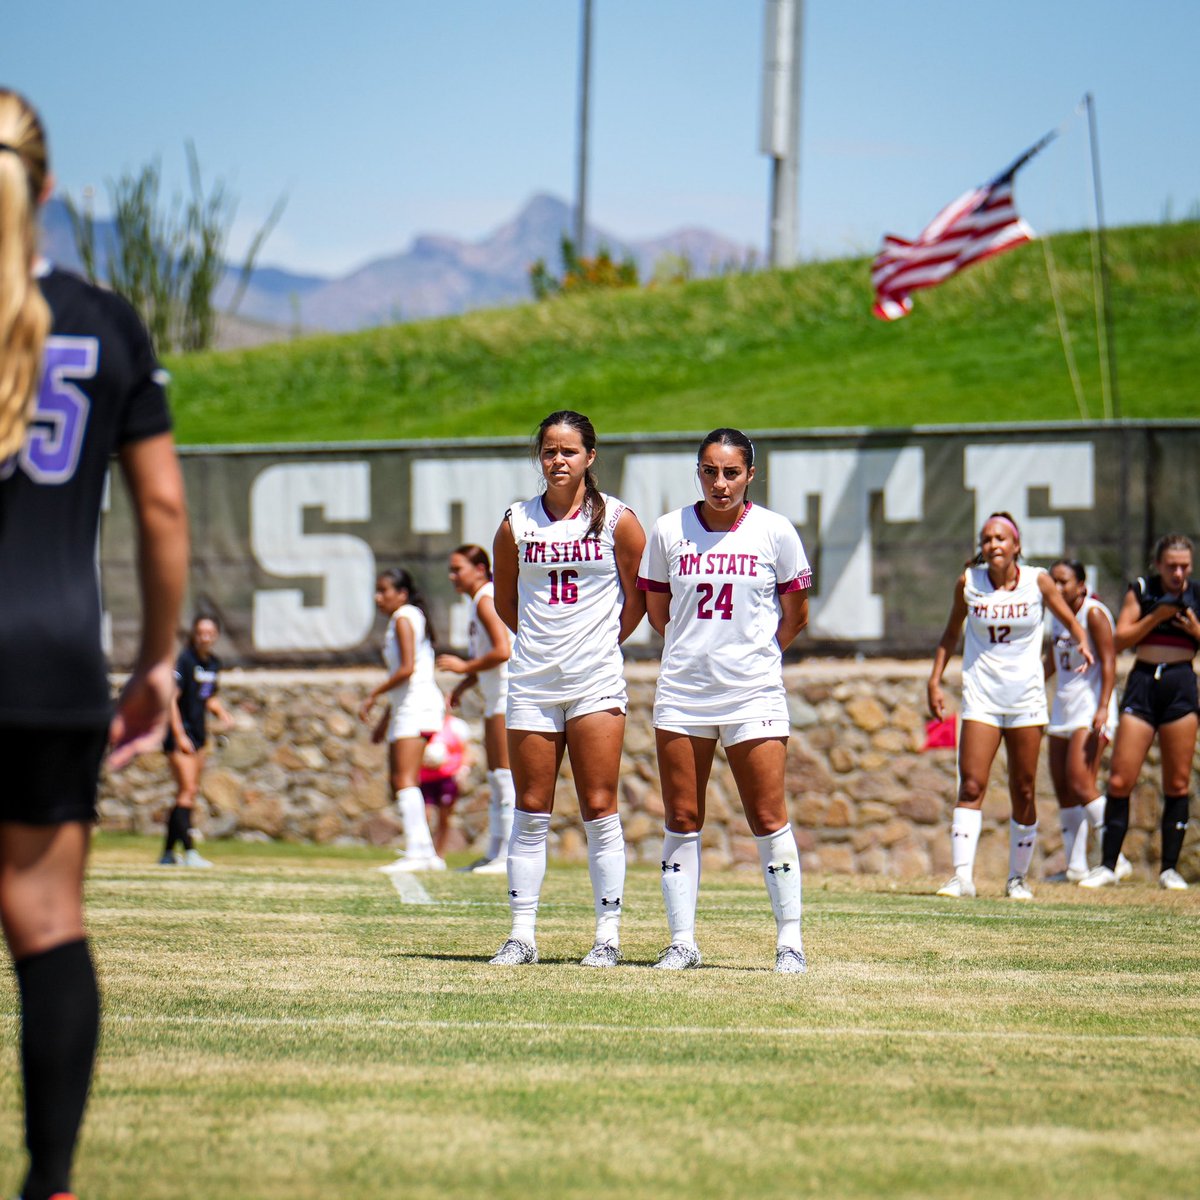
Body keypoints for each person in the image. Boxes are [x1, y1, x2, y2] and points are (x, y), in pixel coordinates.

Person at [0, 90, 188, 1200]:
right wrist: (156, 662)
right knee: (47, 923)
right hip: (54, 658)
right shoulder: (103, 320)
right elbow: (161, 508)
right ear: (50, 185)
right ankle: (52, 1185)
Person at [637, 428, 812, 973]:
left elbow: (797, 615)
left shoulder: (775, 530)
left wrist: (755, 656)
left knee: (768, 815)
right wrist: (695, 653)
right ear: (698, 472)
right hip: (683, 693)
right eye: (709, 471)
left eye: (731, 472)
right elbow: (658, 612)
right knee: (682, 817)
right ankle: (682, 942)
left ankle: (789, 941)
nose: (720, 483)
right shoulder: (668, 530)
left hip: (753, 692)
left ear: (750, 474)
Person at [487, 410, 646, 967]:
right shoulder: (516, 522)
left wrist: (600, 642)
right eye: (549, 450)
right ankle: (521, 935)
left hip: (595, 680)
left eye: (569, 451)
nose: (558, 460)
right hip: (532, 680)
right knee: (531, 809)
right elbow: (505, 600)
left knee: (599, 807)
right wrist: (541, 643)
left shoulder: (618, 520)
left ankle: (607, 936)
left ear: (590, 457)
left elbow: (639, 598)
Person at [928, 513, 1093, 900]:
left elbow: (1069, 618)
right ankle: (962, 878)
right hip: (981, 697)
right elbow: (950, 633)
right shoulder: (969, 583)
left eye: (1001, 538)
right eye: (987, 539)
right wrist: (934, 680)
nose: (993, 544)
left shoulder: (1038, 581)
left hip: (1025, 699)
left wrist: (1083, 640)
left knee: (1024, 788)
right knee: (971, 784)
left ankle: (1017, 878)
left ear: (1016, 545)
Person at [1079, 534, 1200, 890]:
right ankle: (1108, 865)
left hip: (1180, 683)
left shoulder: (1196, 594)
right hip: (1144, 682)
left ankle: (1169, 869)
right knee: (1120, 779)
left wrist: (1195, 629)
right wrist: (1156, 616)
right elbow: (1118, 640)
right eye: (1171, 566)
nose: (1178, 573)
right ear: (1158, 564)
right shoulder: (1142, 590)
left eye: (1184, 566)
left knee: (1177, 781)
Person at [1042, 560, 1129, 882]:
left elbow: (1109, 662)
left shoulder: (1093, 613)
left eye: (1063, 581)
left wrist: (1103, 707)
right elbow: (1053, 662)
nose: (1057, 587)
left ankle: (1116, 858)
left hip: (1090, 708)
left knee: (1081, 782)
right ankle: (1075, 867)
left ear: (1081, 585)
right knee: (1064, 788)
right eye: (1053, 580)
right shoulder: (1056, 614)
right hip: (1062, 709)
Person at [359, 568, 447, 872]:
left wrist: (373, 694)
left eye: (384, 590)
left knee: (404, 780)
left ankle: (418, 852)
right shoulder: (406, 617)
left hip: (416, 705)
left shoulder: (403, 617)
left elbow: (407, 668)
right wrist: (386, 719)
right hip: (408, 705)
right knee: (402, 779)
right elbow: (406, 674)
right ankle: (425, 852)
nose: (378, 597)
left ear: (402, 594)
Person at [435, 544, 514, 874]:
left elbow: (503, 650)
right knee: (497, 777)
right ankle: (495, 852)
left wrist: (464, 667)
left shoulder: (485, 598)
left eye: (458, 569)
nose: (452, 576)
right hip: (495, 695)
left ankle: (508, 855)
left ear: (480, 569)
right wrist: (464, 685)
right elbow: (489, 655)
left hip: (509, 693)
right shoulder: (478, 600)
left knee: (505, 777)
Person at [159, 613, 234, 867]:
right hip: (180, 735)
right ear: (194, 634)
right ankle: (190, 852)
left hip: (199, 735)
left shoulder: (213, 663)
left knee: (186, 792)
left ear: (216, 636)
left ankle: (168, 854)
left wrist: (222, 713)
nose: (205, 638)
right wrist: (179, 734)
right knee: (188, 791)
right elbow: (171, 699)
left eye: (210, 633)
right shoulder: (185, 660)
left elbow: (207, 696)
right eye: (201, 633)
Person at [419, 710, 472, 859]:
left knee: (444, 817)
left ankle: (439, 854)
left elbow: (467, 751)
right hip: (426, 778)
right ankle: (423, 850)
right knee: (425, 814)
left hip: (448, 778)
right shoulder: (424, 724)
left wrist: (463, 770)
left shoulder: (457, 726)